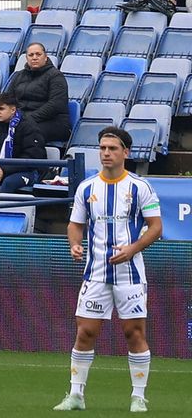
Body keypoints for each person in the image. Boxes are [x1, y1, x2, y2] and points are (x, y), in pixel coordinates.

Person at [54, 127, 161, 414]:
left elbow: (156, 227)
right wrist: (75, 245)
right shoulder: (87, 188)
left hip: (130, 275)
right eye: (102, 148)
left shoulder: (140, 187)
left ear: (126, 152)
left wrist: (133, 248)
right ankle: (76, 395)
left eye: (112, 148)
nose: (106, 153)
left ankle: (138, 397)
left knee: (134, 334)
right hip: (96, 274)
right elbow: (75, 224)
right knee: (85, 332)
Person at [5, 41, 72, 145]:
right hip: (23, 120)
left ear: (45, 57)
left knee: (27, 132)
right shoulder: (18, 76)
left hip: (53, 122)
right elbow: (8, 99)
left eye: (38, 54)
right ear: (26, 58)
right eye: (31, 55)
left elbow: (56, 105)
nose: (34, 57)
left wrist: (27, 119)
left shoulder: (55, 76)